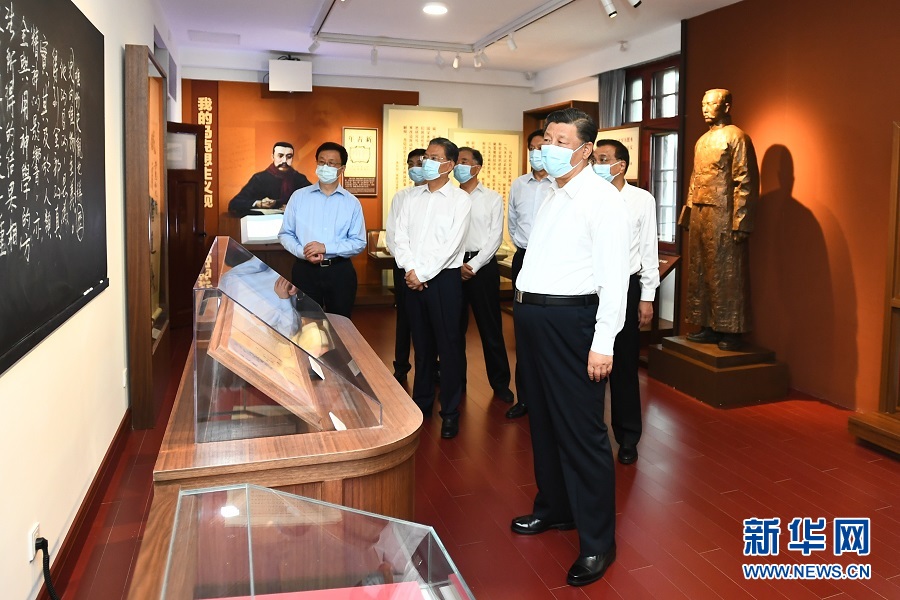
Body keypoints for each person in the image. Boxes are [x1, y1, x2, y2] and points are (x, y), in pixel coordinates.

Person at [510, 108, 629, 587]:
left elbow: (615, 278)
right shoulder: (552, 195)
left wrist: (603, 343)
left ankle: (598, 542)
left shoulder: (602, 200)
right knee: (542, 421)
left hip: (572, 322)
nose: (549, 148)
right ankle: (555, 507)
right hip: (533, 319)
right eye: (547, 140)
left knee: (582, 432)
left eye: (561, 141)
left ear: (584, 150)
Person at [387, 137, 471, 439]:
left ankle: (449, 412)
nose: (427, 162)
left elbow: (451, 246)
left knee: (448, 348)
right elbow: (400, 237)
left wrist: (421, 273)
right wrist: (411, 270)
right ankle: (420, 405)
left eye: (435, 158)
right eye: (426, 156)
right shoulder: (412, 197)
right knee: (421, 347)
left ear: (450, 164)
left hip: (444, 281)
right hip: (414, 279)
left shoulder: (460, 200)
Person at [593, 139, 660, 465]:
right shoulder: (589, 196)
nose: (597, 165)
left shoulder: (641, 200)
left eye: (603, 159)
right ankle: (591, 435)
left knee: (623, 365)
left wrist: (647, 296)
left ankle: (628, 437)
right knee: (590, 363)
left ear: (621, 165)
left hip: (626, 286)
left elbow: (648, 250)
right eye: (594, 159)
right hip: (590, 287)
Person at [680, 88, 759, 351]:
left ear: (726, 106)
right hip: (701, 212)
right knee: (700, 268)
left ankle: (730, 329)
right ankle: (707, 324)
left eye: (711, 104)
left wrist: (741, 221)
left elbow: (745, 181)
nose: (705, 108)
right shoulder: (702, 141)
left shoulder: (737, 137)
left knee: (727, 270)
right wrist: (688, 212)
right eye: (703, 104)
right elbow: (694, 178)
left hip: (724, 212)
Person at [278, 142, 366, 318]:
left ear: (342, 169)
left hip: (339, 271)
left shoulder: (352, 203)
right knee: (306, 322)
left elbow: (358, 242)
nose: (326, 167)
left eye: (332, 163)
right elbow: (285, 233)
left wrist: (326, 248)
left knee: (341, 323)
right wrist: (303, 252)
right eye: (322, 162)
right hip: (305, 270)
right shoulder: (299, 197)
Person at [455, 147, 514, 405]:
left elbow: (495, 237)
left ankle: (500, 384)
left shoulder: (492, 198)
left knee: (491, 329)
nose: (459, 165)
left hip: (482, 267)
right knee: (453, 330)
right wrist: (456, 264)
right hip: (452, 266)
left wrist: (474, 265)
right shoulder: (449, 196)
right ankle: (456, 382)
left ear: (477, 167)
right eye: (457, 161)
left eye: (464, 161)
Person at [504, 129, 551, 419]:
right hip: (524, 258)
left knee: (549, 331)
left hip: (553, 261)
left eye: (541, 147)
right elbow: (512, 223)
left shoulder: (559, 185)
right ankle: (524, 398)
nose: (536, 153)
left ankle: (549, 398)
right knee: (523, 331)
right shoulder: (519, 185)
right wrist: (523, 247)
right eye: (532, 148)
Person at [385, 148, 427, 384]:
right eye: (410, 164)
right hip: (404, 267)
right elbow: (392, 235)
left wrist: (421, 268)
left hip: (430, 269)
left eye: (419, 163)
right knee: (404, 319)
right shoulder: (401, 197)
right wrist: (408, 266)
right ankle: (401, 366)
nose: (414, 168)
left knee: (430, 319)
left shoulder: (442, 197)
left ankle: (430, 366)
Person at [228, 142, 312, 216]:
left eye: (289, 157)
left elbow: (315, 200)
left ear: (292, 158)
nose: (284, 161)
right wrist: (259, 203)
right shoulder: (259, 178)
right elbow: (234, 204)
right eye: (280, 156)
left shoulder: (299, 179)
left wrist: (294, 207)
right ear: (272, 157)